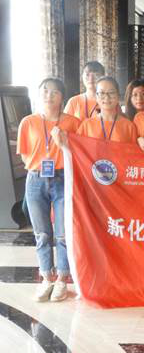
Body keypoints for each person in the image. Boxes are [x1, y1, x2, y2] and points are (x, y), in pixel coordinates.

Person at [17, 78, 80, 302]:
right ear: (39, 94)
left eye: (54, 92)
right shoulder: (28, 122)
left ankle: (62, 279)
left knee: (62, 233)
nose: (49, 95)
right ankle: (46, 278)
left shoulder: (73, 122)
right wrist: (39, 165)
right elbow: (25, 154)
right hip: (35, 179)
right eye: (45, 91)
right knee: (42, 233)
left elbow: (80, 153)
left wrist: (63, 144)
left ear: (62, 97)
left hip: (63, 178)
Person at [77, 77, 138, 143]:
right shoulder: (86, 125)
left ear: (118, 96)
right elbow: (76, 146)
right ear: (96, 97)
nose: (106, 97)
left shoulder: (129, 126)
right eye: (101, 93)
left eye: (111, 93)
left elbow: (133, 149)